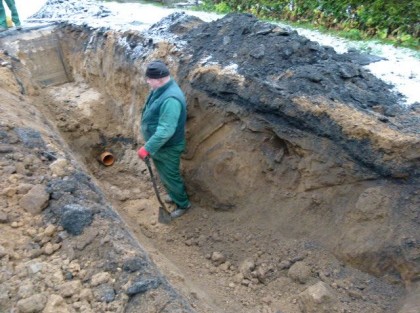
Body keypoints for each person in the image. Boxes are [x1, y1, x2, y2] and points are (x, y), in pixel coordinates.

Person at [137, 60, 191, 219]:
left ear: (160, 79)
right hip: (160, 147)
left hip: (168, 147)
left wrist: (147, 148)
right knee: (164, 173)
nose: (147, 81)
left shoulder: (170, 100)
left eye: (149, 79)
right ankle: (174, 195)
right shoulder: (159, 88)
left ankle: (183, 204)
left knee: (170, 175)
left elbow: (166, 130)